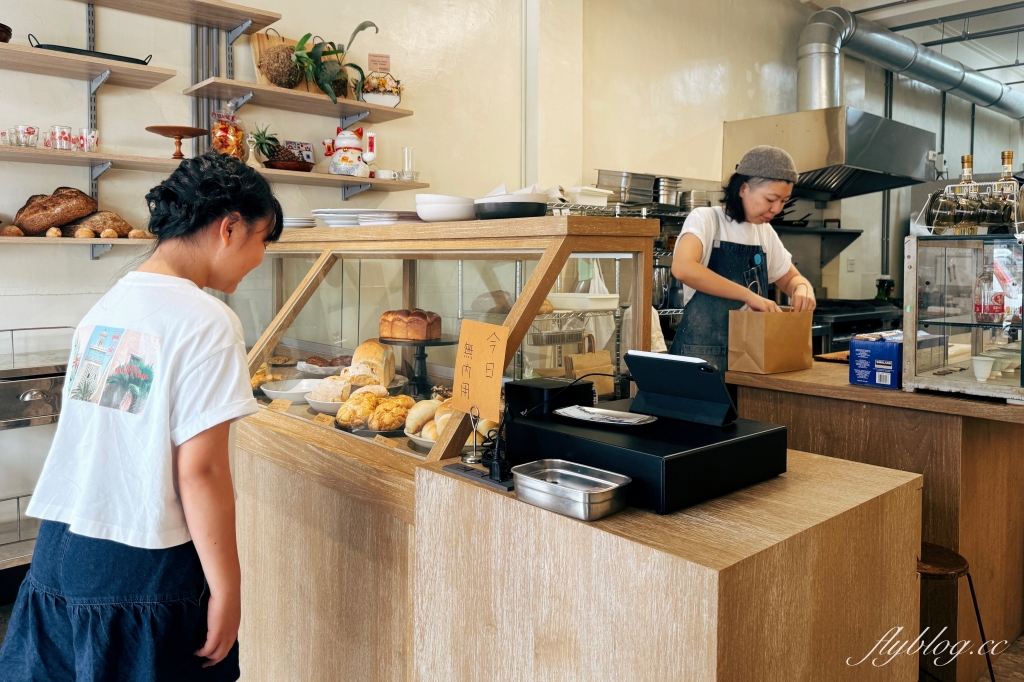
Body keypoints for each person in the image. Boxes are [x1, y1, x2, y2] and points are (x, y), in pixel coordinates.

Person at [0, 151, 283, 681]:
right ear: (229, 227)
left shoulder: (109, 304)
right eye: (263, 240)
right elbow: (200, 471)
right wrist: (228, 590)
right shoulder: (208, 320)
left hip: (61, 550)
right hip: (142, 566)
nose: (260, 258)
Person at [669, 145, 816, 371]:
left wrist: (803, 288)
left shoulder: (764, 232)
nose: (777, 209)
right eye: (770, 199)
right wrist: (748, 296)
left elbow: (790, 279)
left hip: (750, 358)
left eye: (784, 201)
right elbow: (683, 268)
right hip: (701, 359)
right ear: (743, 188)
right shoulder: (706, 220)